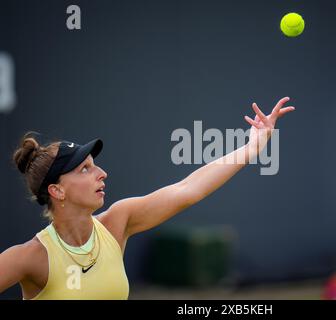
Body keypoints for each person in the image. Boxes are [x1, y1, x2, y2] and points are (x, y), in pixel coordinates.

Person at [0, 97, 295, 299]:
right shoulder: (31, 256)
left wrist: (251, 148)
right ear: (57, 190)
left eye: (95, 165)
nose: (101, 173)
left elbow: (187, 189)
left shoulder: (118, 222)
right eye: (85, 169)